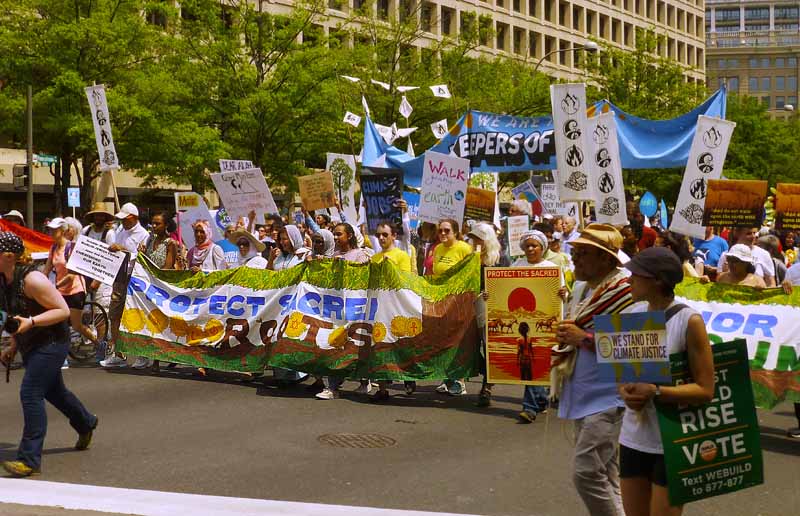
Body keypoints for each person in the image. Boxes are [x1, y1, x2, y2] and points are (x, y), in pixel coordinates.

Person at [618, 247, 715, 516]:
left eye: (635, 275)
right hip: (633, 438)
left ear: (658, 280)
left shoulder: (689, 320)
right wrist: (625, 392)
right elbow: (623, 375)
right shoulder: (632, 313)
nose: (629, 281)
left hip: (673, 441)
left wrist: (656, 391)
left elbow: (706, 390)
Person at [552, 223, 635, 516]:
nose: (575, 258)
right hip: (582, 391)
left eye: (584, 253)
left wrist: (583, 338)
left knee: (586, 472)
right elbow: (577, 327)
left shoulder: (627, 290)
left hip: (611, 396)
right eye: (575, 251)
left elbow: (636, 345)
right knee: (606, 473)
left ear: (606, 258)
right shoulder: (580, 288)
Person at [0, 232, 98, 477]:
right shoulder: (4, 280)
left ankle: (29, 459)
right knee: (56, 392)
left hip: (53, 342)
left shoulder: (32, 280)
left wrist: (32, 322)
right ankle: (86, 422)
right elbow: (14, 315)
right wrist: (12, 346)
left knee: (31, 392)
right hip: (30, 343)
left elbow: (63, 311)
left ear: (9, 256)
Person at [316, 222, 371, 400]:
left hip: (354, 309)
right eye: (335, 235)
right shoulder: (335, 255)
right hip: (336, 310)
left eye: (339, 234)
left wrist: (346, 267)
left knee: (356, 345)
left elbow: (363, 280)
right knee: (335, 344)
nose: (336, 238)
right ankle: (332, 386)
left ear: (349, 235)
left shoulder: (360, 255)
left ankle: (365, 380)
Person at [512, 230, 563, 423]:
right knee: (530, 360)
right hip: (522, 320)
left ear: (543, 248)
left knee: (538, 360)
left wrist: (563, 292)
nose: (531, 249)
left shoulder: (551, 268)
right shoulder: (517, 266)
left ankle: (531, 405)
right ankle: (535, 403)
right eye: (527, 246)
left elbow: (561, 296)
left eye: (535, 245)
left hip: (544, 321)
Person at [100, 203, 151, 369]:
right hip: (119, 278)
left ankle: (142, 354)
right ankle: (119, 354)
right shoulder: (120, 231)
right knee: (114, 316)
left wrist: (123, 249)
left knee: (136, 316)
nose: (123, 222)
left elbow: (142, 258)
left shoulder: (144, 235)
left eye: (126, 219)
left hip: (134, 280)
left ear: (134, 218)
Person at [369, 222, 415, 402]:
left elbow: (405, 282)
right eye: (379, 235)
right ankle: (382, 388)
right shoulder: (375, 257)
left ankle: (408, 376)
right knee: (380, 345)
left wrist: (391, 270)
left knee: (400, 344)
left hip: (397, 308)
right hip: (380, 308)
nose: (381, 238)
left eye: (385, 235)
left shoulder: (402, 256)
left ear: (394, 236)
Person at [43, 218, 98, 362]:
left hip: (75, 290)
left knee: (77, 325)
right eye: (50, 229)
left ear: (63, 231)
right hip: (61, 292)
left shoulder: (72, 248)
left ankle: (99, 343)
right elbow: (47, 269)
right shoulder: (53, 248)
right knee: (58, 323)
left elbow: (72, 275)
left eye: (55, 229)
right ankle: (62, 357)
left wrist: (55, 287)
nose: (52, 232)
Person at [431, 219, 473, 396]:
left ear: (455, 232)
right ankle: (448, 379)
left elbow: (471, 272)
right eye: (440, 231)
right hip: (442, 300)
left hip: (459, 300)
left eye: (446, 231)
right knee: (444, 340)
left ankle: (460, 381)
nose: (442, 234)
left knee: (458, 340)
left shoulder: (464, 248)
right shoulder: (438, 249)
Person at [466, 222, 506, 407]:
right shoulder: (470, 257)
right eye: (473, 238)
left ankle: (487, 386)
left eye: (478, 238)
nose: (474, 241)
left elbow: (506, 283)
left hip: (490, 307)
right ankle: (487, 372)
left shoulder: (499, 259)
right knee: (470, 346)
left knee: (487, 344)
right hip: (469, 306)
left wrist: (494, 291)